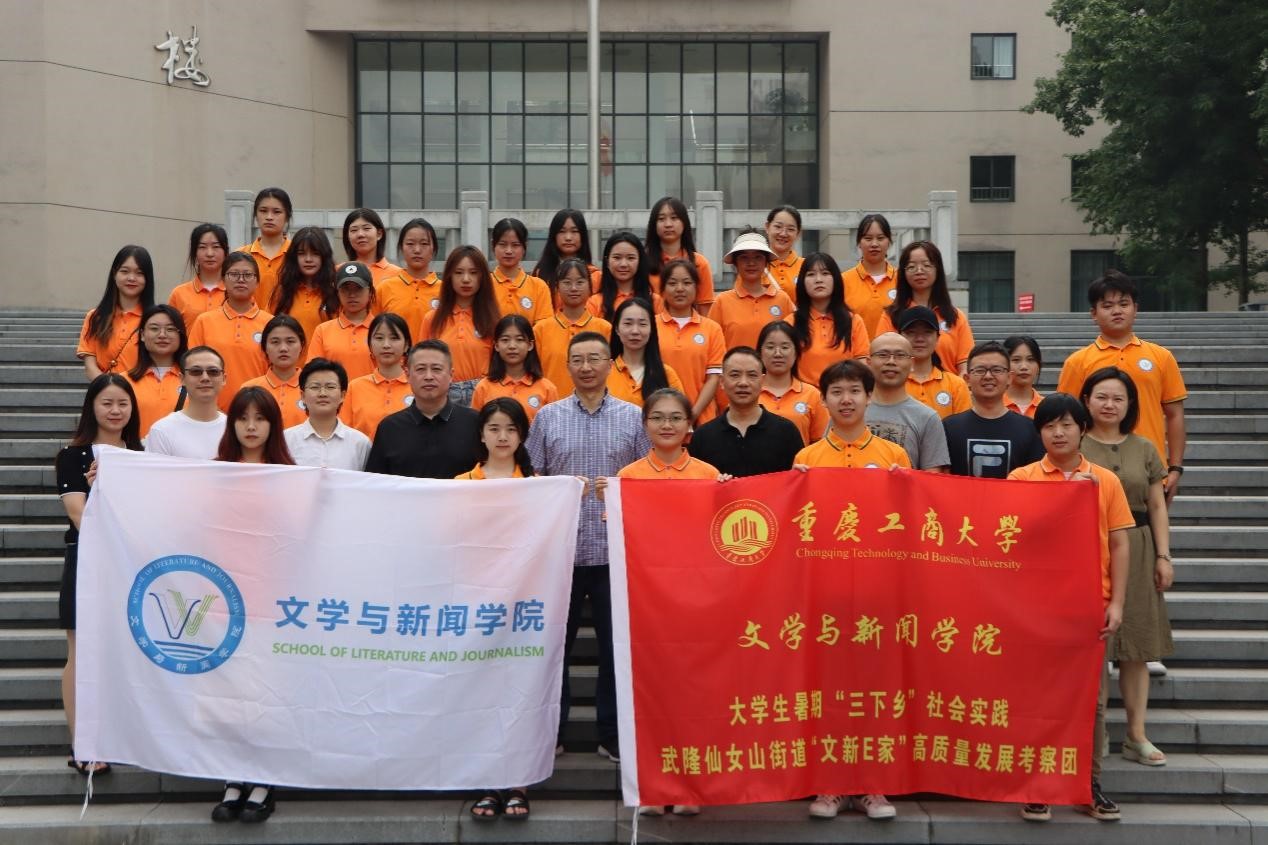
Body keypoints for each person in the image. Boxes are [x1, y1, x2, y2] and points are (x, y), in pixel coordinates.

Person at [525, 331, 650, 765]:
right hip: (561, 555)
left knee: (616, 651)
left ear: (610, 364)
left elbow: (647, 478)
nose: (586, 367)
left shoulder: (634, 417)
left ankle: (611, 735)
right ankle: (551, 732)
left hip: (616, 553)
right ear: (567, 366)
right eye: (577, 359)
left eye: (595, 358)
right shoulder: (548, 418)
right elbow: (532, 480)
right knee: (553, 649)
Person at [1009, 393, 1131, 823]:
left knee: (1091, 703)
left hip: (1088, 606)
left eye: (1066, 424)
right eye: (1048, 426)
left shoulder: (1105, 481)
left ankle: (1086, 785)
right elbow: (1012, 537)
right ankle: (1037, 785)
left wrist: (1116, 602)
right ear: (1039, 433)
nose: (1058, 433)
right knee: (1035, 697)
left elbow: (1120, 543)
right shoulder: (1022, 478)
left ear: (1083, 429)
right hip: (1035, 609)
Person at [794, 359, 906, 823]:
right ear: (823, 400)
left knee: (875, 691)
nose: (846, 399)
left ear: (869, 397)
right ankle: (832, 784)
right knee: (830, 691)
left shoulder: (893, 457)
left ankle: (872, 785)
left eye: (854, 391)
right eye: (836, 391)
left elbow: (910, 524)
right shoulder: (806, 459)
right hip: (826, 594)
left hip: (879, 594)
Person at [1079, 367, 1174, 766]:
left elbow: (1157, 505)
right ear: (1086, 400)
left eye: (1118, 398)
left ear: (1130, 404)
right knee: (1092, 643)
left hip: (1138, 546)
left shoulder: (1145, 447)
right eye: (1101, 397)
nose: (1109, 405)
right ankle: (1092, 732)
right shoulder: (1075, 444)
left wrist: (1164, 556)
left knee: (1136, 644)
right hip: (1086, 549)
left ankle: (1136, 735)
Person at [211, 386, 294, 824]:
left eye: (260, 418)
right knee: (229, 692)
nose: (250, 426)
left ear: (273, 425)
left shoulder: (291, 476)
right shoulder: (213, 473)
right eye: (242, 418)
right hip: (224, 598)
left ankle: (264, 779)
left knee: (265, 690)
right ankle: (232, 777)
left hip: (272, 601)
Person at [57, 374, 143, 776]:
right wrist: (101, 490)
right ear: (92, 406)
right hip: (87, 560)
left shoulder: (142, 454)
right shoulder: (73, 456)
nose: (115, 410)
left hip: (132, 562)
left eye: (123, 403)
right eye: (107, 403)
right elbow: (79, 515)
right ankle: (82, 744)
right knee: (80, 651)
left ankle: (119, 736)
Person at [461, 396, 536, 820]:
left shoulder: (539, 486)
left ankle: (518, 782)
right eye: (494, 428)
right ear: (482, 435)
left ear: (522, 436)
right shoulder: (461, 483)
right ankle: (487, 782)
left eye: (511, 429)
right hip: (476, 603)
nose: (502, 436)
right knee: (481, 692)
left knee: (519, 691)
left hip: (525, 604)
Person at [1057, 270, 1187, 504]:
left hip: (1148, 469)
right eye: (1107, 306)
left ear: (1135, 309)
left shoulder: (1161, 357)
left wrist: (1175, 467)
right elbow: (1065, 419)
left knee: (1148, 527)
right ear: (1093, 314)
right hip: (1091, 471)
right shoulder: (1077, 362)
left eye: (1124, 304)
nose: (1117, 311)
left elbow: (1175, 415)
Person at [363, 340, 480, 477]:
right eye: (420, 369)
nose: (428, 377)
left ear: (451, 375)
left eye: (436, 369)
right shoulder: (389, 428)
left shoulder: (474, 423)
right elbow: (375, 484)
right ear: (407, 375)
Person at [688, 346, 804, 477]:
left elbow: (798, 481)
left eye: (752, 375)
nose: (743, 383)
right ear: (722, 382)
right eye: (735, 375)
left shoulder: (786, 432)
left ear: (762, 381)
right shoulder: (703, 437)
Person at [942, 341, 1044, 478]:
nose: (988, 376)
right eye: (980, 370)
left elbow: (1036, 481)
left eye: (997, 370)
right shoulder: (948, 428)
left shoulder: (1030, 429)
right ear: (967, 379)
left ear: (1009, 378)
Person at [188, 252, 273, 410]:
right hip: (211, 412)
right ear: (223, 280)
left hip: (258, 411)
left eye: (247, 275)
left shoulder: (270, 323)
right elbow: (193, 368)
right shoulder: (204, 321)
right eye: (234, 274)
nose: (241, 279)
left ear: (257, 282)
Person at [875, 241, 974, 375]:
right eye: (911, 266)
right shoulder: (891, 316)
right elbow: (882, 358)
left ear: (937, 269)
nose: (919, 271)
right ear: (903, 272)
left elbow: (965, 364)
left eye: (926, 265)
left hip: (948, 386)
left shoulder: (955, 317)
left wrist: (958, 385)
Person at [420, 246, 500, 406]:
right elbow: (422, 361)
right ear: (449, 276)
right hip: (443, 393)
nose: (466, 279)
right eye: (458, 272)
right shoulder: (432, 319)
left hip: (483, 393)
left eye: (473, 272)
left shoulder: (493, 320)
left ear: (483, 277)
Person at [864, 333, 950, 472]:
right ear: (869, 363)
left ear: (912, 364)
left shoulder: (927, 418)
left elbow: (932, 478)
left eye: (900, 355)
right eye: (883, 355)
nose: (891, 361)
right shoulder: (849, 411)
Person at [656, 259, 725, 423]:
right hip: (660, 419)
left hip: (702, 420)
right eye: (672, 283)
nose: (680, 289)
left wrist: (692, 415)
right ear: (663, 289)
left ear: (696, 288)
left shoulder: (712, 329)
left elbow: (714, 378)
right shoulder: (651, 326)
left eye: (687, 283)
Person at [787, 251, 870, 386]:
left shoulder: (853, 321)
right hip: (803, 396)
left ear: (836, 279)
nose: (818, 279)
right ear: (802, 282)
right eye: (811, 274)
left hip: (843, 394)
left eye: (825, 273)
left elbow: (862, 365)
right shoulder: (791, 323)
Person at [534, 258, 613, 395]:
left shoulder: (604, 328)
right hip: (552, 403)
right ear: (557, 287)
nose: (574, 288)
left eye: (580, 282)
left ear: (590, 287)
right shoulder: (540, 329)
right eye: (567, 282)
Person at [77, 245, 155, 378]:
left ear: (147, 278)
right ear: (114, 274)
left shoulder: (155, 319)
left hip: (143, 390)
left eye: (139, 273)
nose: (131, 278)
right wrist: (109, 387)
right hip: (104, 389)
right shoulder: (95, 317)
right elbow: (90, 366)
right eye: (125, 271)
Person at [708, 230, 793, 350]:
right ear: (735, 263)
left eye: (758, 257)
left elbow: (792, 343)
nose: (751, 263)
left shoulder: (782, 299)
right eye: (744, 258)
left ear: (766, 262)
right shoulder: (722, 301)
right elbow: (712, 344)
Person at [284, 358, 371, 470]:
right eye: (315, 387)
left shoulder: (360, 443)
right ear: (303, 396)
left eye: (330, 387)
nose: (322, 393)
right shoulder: (286, 440)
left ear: (342, 395)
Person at [340, 312, 414, 440]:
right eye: (379, 338)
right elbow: (344, 433)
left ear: (406, 345)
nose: (386, 345)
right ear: (370, 344)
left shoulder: (417, 385)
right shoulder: (355, 387)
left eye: (394, 338)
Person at [145, 346, 228, 459]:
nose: (205, 378)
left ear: (224, 378)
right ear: (182, 379)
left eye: (213, 371)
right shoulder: (162, 431)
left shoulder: (235, 429)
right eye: (195, 372)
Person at [472, 314, 558, 422]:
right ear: (496, 345)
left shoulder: (547, 389)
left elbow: (553, 428)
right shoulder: (483, 388)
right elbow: (475, 427)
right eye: (505, 340)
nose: (512, 346)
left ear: (530, 345)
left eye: (519, 340)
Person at [757, 321, 828, 446]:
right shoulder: (749, 392)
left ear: (796, 353)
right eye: (770, 347)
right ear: (760, 353)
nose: (777, 353)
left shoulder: (812, 395)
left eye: (785, 347)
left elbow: (821, 444)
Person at [306, 261, 377, 381]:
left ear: (370, 291)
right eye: (345, 289)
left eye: (358, 288)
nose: (352, 295)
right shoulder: (323, 331)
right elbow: (313, 374)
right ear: (337, 293)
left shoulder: (380, 330)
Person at [607, 298, 685, 407]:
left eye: (642, 324)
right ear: (617, 329)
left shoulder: (667, 374)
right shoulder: (604, 372)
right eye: (628, 323)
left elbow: (679, 413)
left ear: (651, 329)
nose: (635, 331)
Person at [126, 304, 187, 439]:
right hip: (136, 451)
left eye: (170, 329)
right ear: (142, 335)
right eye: (154, 328)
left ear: (180, 335)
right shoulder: (124, 381)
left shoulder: (195, 380)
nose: (162, 335)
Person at [897, 306, 970, 420]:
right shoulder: (891, 382)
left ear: (937, 338)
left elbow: (963, 427)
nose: (919, 339)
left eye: (927, 332)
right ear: (900, 337)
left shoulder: (956, 385)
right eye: (911, 332)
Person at [268, 225, 338, 342]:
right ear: (294, 257)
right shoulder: (282, 292)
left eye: (315, 253)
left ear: (324, 257)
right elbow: (268, 330)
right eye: (301, 253)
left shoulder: (336, 292)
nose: (308, 259)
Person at [377, 217, 442, 342]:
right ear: (401, 248)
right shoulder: (385, 288)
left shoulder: (445, 290)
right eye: (410, 244)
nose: (417, 250)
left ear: (433, 249)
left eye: (424, 244)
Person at [645, 196, 714, 311]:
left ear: (684, 222)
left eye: (674, 218)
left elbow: (705, 311)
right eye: (661, 219)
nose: (668, 224)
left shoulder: (699, 263)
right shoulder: (642, 262)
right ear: (654, 225)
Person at [241, 315, 308, 430]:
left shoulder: (313, 388)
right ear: (265, 347)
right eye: (275, 342)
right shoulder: (248, 389)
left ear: (301, 345)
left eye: (290, 341)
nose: (283, 348)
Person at [842, 213, 897, 339]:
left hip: (894, 350)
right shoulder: (844, 281)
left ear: (889, 242)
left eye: (880, 238)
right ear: (859, 243)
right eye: (868, 238)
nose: (874, 244)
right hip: (856, 350)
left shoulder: (902, 279)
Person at [490, 218, 553, 324]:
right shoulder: (484, 284)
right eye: (503, 244)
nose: (508, 251)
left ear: (525, 247)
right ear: (493, 245)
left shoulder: (538, 287)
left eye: (515, 245)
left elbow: (544, 328)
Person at [588, 231, 661, 321]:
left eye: (630, 258)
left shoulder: (655, 301)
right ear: (607, 261)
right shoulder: (594, 303)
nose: (623, 264)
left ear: (640, 261)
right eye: (617, 257)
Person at [240, 187, 292, 311]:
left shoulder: (297, 254)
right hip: (249, 321)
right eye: (263, 211)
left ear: (287, 216)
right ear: (255, 215)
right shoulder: (242, 255)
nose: (269, 217)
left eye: (277, 212)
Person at [168, 223, 228, 331]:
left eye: (216, 247)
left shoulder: (235, 291)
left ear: (226, 252)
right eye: (202, 247)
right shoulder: (179, 294)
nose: (209, 253)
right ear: (194, 253)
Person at [533, 209, 600, 299]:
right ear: (554, 236)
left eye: (574, 231)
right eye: (562, 231)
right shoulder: (540, 274)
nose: (568, 237)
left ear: (583, 236)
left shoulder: (595, 276)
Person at [341, 207, 400, 283]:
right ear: (347, 237)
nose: (360, 234)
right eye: (354, 230)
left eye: (366, 228)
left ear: (379, 234)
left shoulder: (397, 274)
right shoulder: (338, 272)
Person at [763, 205, 804, 300]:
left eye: (790, 229)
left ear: (798, 233)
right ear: (767, 227)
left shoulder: (806, 267)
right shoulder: (754, 266)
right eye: (778, 227)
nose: (783, 234)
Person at [1004, 335, 1044, 418]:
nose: (1024, 367)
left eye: (1031, 359)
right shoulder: (993, 405)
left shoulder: (1047, 406)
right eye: (1016, 360)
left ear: (1038, 366)